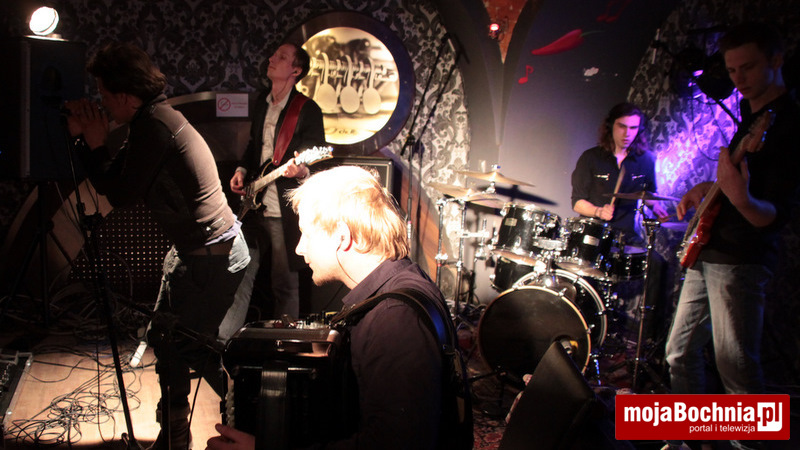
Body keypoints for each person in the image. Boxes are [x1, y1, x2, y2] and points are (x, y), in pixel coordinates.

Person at [64, 42, 250, 450]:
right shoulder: (150, 120)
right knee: (167, 342)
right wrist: (87, 143)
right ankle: (174, 436)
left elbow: (120, 193)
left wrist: (93, 142)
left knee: (189, 348)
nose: (102, 103)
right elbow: (115, 179)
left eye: (105, 94)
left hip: (212, 258)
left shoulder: (154, 126)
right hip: (194, 253)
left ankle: (254, 421)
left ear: (125, 95)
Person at [207, 166, 469, 449]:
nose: (299, 248)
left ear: (342, 236)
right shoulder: (398, 288)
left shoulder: (395, 319)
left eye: (306, 234)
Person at [666, 22, 800, 399]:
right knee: (678, 354)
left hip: (741, 258)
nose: (738, 79)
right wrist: (709, 188)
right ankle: (691, 431)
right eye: (731, 70)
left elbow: (772, 217)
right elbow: (741, 181)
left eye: (749, 67)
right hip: (710, 246)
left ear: (776, 60)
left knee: (736, 369)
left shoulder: (788, 124)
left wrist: (740, 199)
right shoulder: (749, 111)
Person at [219, 42, 325, 339]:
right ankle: (226, 342)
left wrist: (302, 171)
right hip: (253, 207)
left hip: (282, 211)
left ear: (296, 70)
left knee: (284, 284)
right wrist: (242, 170)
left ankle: (285, 344)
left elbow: (315, 158)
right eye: (274, 55)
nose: (272, 59)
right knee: (240, 275)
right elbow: (255, 146)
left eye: (282, 57)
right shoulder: (262, 103)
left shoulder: (307, 109)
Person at [571, 102, 668, 248]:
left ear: (639, 130)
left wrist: (657, 208)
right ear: (610, 126)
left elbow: (647, 195)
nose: (627, 133)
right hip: (593, 233)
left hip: (625, 236)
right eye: (622, 126)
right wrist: (598, 211)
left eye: (633, 128)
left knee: (654, 260)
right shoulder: (590, 157)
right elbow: (577, 203)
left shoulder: (646, 160)